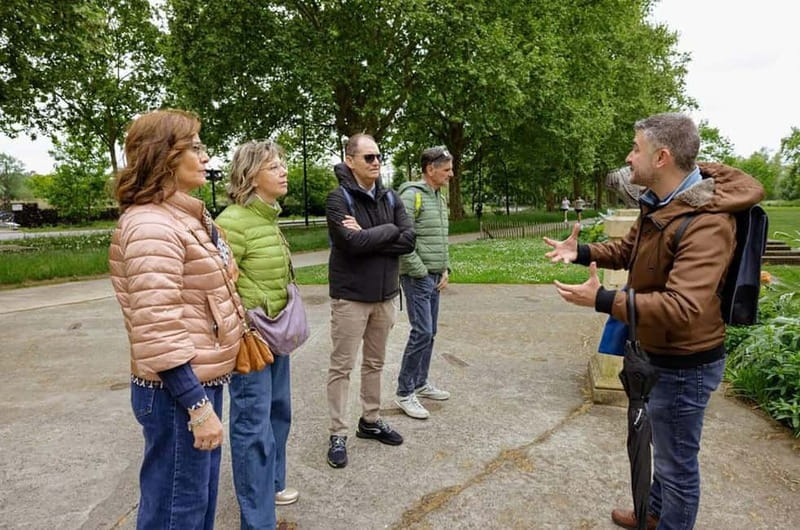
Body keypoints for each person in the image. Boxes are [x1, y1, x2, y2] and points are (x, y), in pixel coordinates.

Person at [543, 113, 764, 530]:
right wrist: (584, 252)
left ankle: (667, 516)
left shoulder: (708, 222)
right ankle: (654, 512)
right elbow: (629, 251)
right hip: (657, 351)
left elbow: (683, 306)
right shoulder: (661, 201)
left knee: (677, 463)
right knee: (661, 444)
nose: (629, 157)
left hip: (687, 363)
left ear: (661, 157)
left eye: (635, 148)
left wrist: (605, 299)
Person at [109, 109, 244, 529]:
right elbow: (159, 328)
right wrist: (197, 407)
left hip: (195, 380)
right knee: (176, 510)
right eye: (196, 147)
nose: (205, 157)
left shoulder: (183, 218)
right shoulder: (151, 225)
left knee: (194, 501)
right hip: (177, 390)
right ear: (164, 156)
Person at [215, 141, 298, 529]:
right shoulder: (232, 221)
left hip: (275, 333)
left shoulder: (267, 218)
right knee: (253, 426)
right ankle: (257, 519)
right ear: (250, 176)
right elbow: (218, 287)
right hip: (251, 340)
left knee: (279, 413)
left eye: (282, 164)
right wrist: (243, 327)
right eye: (273, 166)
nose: (283, 171)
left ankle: (273, 484)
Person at [325, 133, 415, 468]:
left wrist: (370, 235)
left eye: (379, 156)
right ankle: (337, 432)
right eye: (368, 157)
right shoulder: (339, 199)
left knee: (375, 363)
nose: (376, 162)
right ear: (350, 160)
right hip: (351, 297)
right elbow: (350, 243)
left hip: (386, 296)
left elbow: (408, 239)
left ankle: (370, 421)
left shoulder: (390, 197)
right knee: (342, 367)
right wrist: (387, 232)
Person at [394, 146, 453, 419]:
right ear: (430, 169)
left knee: (430, 333)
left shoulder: (439, 197)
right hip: (418, 277)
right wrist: (419, 271)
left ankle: (420, 382)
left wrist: (445, 268)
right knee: (422, 332)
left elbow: (440, 236)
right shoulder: (411, 195)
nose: (451, 175)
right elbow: (401, 238)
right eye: (446, 169)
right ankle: (405, 392)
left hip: (435, 275)